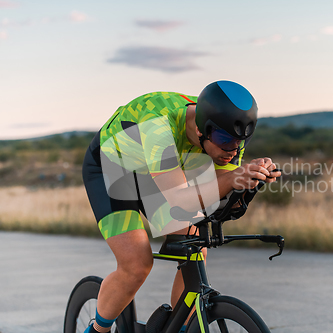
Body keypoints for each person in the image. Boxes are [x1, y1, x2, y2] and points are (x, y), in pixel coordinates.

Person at [81, 80, 281, 333]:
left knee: (194, 247)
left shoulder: (227, 137)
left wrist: (251, 181)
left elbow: (220, 205)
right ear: (201, 130)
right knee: (136, 264)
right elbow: (181, 199)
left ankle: (182, 327)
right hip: (112, 167)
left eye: (240, 141)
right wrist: (233, 178)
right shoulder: (158, 124)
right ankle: (98, 330)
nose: (231, 150)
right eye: (223, 140)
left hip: (160, 171)